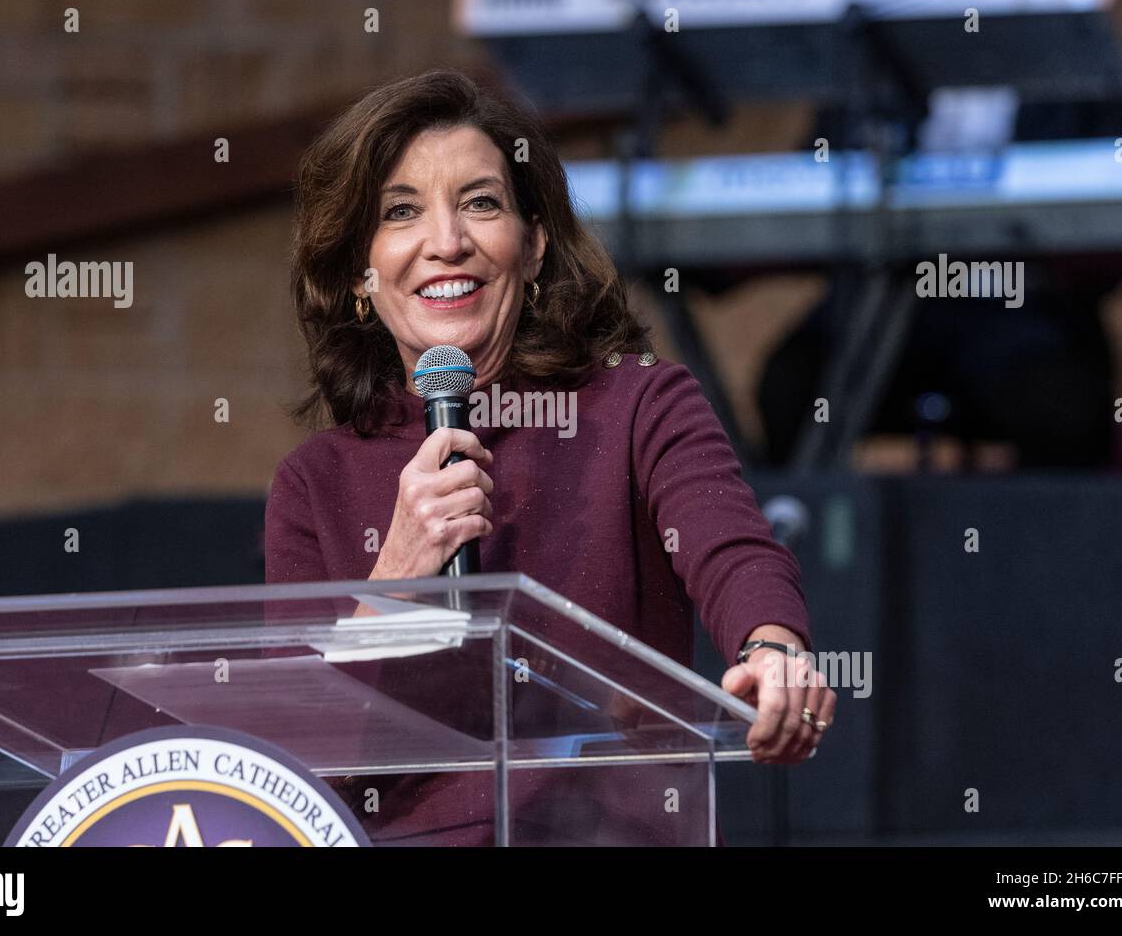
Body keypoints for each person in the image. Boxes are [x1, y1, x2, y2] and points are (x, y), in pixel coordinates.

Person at [265, 68, 833, 844]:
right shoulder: (314, 484)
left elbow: (734, 551)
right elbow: (294, 765)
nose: (446, 242)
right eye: (402, 212)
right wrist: (397, 571)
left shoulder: (638, 406)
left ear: (532, 246)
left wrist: (773, 650)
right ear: (361, 274)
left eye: (481, 203)